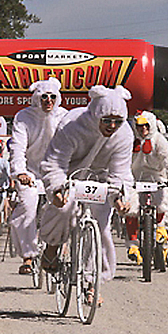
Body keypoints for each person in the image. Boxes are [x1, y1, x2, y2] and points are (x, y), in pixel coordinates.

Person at [39, 85, 133, 305]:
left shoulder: (125, 135)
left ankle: (92, 282)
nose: (112, 126)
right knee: (64, 208)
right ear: (97, 115)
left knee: (101, 223)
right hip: (69, 172)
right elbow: (55, 162)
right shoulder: (72, 125)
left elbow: (121, 172)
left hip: (100, 178)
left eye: (117, 122)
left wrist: (121, 196)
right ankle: (52, 246)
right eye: (107, 120)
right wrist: (55, 188)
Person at [8, 77, 68, 275]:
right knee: (27, 204)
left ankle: (57, 247)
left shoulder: (65, 116)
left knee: (65, 205)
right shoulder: (23, 117)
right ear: (36, 98)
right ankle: (28, 255)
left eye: (52, 97)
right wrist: (20, 172)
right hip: (31, 174)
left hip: (57, 172)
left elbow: (74, 145)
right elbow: (17, 147)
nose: (48, 101)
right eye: (44, 97)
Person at [125, 111, 168, 265]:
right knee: (130, 206)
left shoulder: (159, 140)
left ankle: (161, 230)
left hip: (157, 178)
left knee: (163, 202)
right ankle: (132, 245)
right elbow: (121, 161)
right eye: (139, 126)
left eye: (146, 125)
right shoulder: (129, 140)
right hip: (135, 178)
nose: (142, 129)